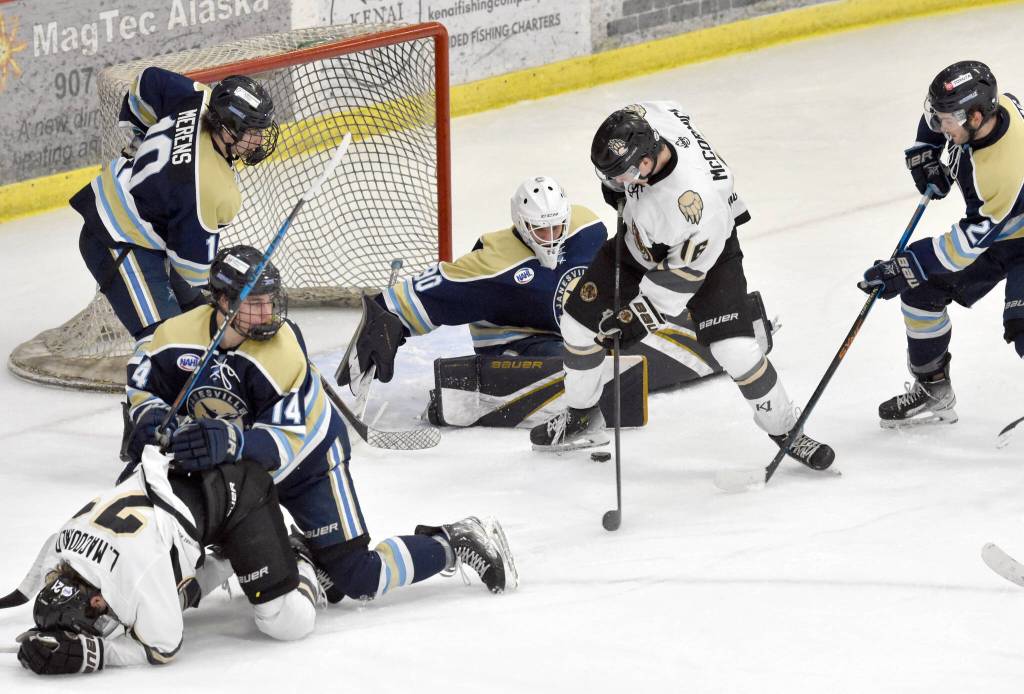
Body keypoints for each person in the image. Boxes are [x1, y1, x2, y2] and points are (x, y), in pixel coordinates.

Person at [123, 245, 517, 608]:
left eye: (270, 303)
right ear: (223, 302)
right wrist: (151, 417)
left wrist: (230, 441)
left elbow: (291, 440)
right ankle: (293, 550)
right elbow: (142, 384)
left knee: (358, 578)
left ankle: (454, 540)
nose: (267, 315)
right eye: (254, 304)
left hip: (309, 465)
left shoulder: (281, 352)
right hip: (238, 469)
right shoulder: (176, 336)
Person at [527, 103, 834, 470]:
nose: (614, 183)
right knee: (578, 324)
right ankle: (582, 417)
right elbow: (664, 109)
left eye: (619, 176)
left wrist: (636, 319)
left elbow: (680, 278)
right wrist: (618, 187)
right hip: (637, 242)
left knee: (735, 350)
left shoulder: (694, 207)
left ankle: (787, 429)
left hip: (708, 255)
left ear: (644, 164)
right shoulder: (649, 122)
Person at [337, 175, 777, 424]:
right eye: (540, 230)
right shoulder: (491, 264)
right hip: (523, 347)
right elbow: (417, 295)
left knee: (635, 348)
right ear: (521, 225)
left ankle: (744, 327)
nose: (551, 237)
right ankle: (474, 394)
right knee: (599, 375)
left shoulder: (585, 227)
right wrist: (384, 315)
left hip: (585, 332)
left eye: (556, 227)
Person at [8, 446, 322, 675]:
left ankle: (299, 555)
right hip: (173, 476)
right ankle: (234, 557)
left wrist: (98, 653)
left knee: (285, 621)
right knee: (164, 591)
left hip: (238, 494)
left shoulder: (136, 574)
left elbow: (163, 648)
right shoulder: (62, 546)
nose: (97, 629)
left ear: (99, 601)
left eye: (93, 624)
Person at [861, 61, 1024, 428]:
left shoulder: (1000, 169)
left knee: (1023, 325)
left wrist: (907, 265)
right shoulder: (991, 113)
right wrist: (925, 147)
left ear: (977, 117)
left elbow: (967, 244)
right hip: (1004, 230)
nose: (940, 126)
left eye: (946, 122)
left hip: (1007, 233)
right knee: (921, 294)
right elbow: (939, 120)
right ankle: (933, 389)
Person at [74, 67, 278, 341]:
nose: (261, 140)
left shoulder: (199, 100)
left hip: (135, 213)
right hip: (118, 241)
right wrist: (227, 282)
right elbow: (192, 269)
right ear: (228, 132)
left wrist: (142, 136)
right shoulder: (214, 189)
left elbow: (148, 81)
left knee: (203, 321)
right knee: (167, 344)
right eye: (253, 132)